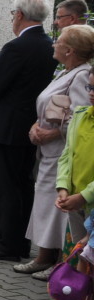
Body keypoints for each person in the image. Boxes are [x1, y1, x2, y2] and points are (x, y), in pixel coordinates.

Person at [0, 0, 56, 262]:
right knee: (23, 185)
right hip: (32, 123)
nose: (12, 19)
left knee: (6, 188)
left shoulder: (16, 47)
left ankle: (8, 245)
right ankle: (20, 241)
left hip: (8, 126)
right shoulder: (49, 45)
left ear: (19, 15)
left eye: (13, 14)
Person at [19, 25, 94, 276]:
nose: (54, 44)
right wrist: (36, 124)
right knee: (46, 205)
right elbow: (49, 106)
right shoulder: (65, 71)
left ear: (70, 50)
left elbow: (80, 117)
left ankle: (58, 263)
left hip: (62, 153)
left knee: (57, 208)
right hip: (50, 152)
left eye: (58, 41)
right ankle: (45, 257)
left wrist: (51, 133)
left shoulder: (81, 76)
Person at [46, 68, 94, 300]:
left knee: (92, 260)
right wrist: (63, 188)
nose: (91, 93)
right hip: (76, 199)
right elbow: (67, 156)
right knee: (81, 257)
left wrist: (85, 195)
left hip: (88, 199)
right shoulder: (81, 115)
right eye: (90, 87)